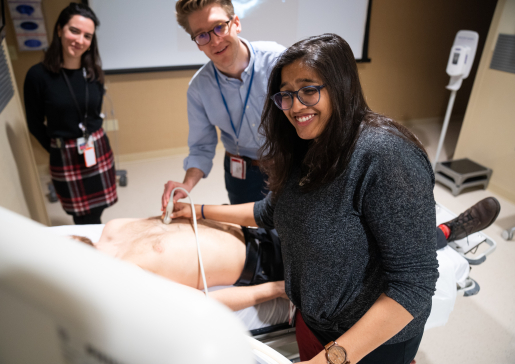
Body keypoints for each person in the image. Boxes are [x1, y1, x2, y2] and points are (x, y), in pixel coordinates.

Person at [171, 33, 442, 364]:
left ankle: (446, 232)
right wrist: (196, 210)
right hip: (313, 320)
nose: (295, 106)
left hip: (371, 340)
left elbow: (413, 285)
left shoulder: (385, 156)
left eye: (309, 90)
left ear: (340, 85)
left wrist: (330, 359)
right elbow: (270, 212)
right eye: (286, 95)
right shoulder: (306, 145)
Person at [161, 0, 285, 208]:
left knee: (293, 234)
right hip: (241, 172)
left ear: (236, 23)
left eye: (219, 27)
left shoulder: (278, 61)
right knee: (249, 235)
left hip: (288, 164)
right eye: (202, 35)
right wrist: (186, 185)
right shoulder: (199, 88)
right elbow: (201, 147)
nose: (215, 41)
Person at [71, 216, 286, 312]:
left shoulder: (113, 227)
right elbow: (203, 302)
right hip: (266, 261)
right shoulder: (125, 275)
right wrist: (277, 289)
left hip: (256, 225)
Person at [24, 3, 117, 225]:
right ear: (59, 30)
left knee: (99, 209)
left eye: (87, 36)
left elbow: (93, 115)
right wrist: (59, 148)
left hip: (96, 149)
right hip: (64, 155)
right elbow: (35, 123)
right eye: (74, 31)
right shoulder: (37, 76)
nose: (80, 40)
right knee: (81, 217)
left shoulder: (94, 71)